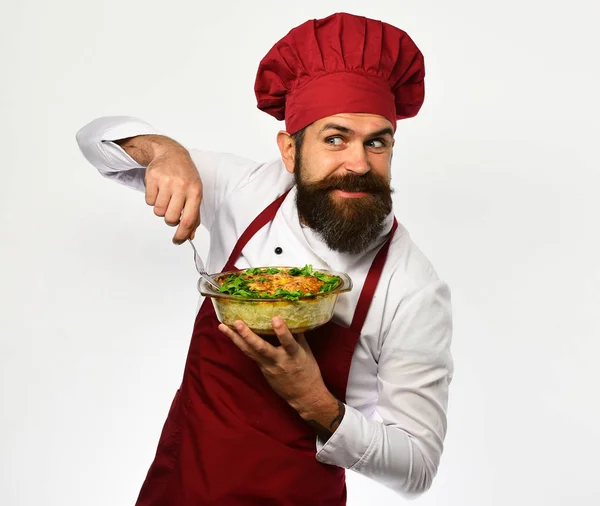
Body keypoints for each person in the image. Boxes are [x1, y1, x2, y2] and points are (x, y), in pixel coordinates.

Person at [76, 12, 453, 506]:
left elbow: (418, 468)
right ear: (290, 152)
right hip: (181, 485)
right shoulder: (245, 191)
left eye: (376, 142)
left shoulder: (412, 288)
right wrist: (164, 151)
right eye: (335, 138)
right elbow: (95, 140)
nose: (359, 164)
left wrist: (313, 400)